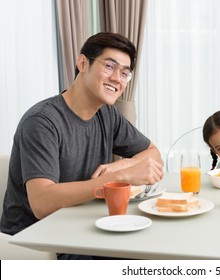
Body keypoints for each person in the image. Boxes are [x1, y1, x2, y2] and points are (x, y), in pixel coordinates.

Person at [0, 32, 164, 259]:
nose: (117, 78)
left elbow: (153, 154)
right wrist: (122, 177)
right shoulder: (41, 122)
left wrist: (119, 167)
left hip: (82, 228)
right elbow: (42, 202)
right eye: (109, 66)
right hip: (37, 243)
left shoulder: (107, 115)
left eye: (125, 73)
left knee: (155, 246)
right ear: (83, 63)